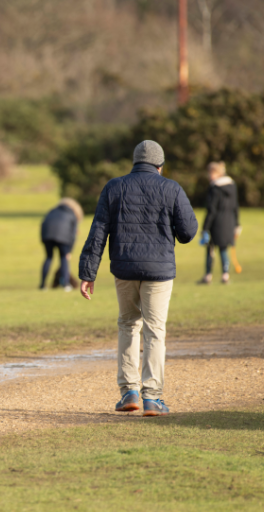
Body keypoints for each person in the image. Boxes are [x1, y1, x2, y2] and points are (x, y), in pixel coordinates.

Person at [78, 140, 197, 416]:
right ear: (160, 165)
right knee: (155, 330)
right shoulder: (171, 188)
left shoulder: (114, 187)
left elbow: (98, 232)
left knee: (128, 325)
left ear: (135, 163)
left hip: (124, 269)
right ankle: (152, 398)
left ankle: (129, 392)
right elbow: (188, 232)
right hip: (159, 272)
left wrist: (87, 273)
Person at [198, 161, 241, 285]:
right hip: (229, 222)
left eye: (210, 173)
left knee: (210, 249)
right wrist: (237, 224)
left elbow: (211, 209)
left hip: (216, 222)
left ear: (216, 173)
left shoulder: (214, 188)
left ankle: (208, 275)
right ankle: (225, 275)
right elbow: (235, 206)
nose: (209, 176)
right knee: (223, 248)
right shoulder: (232, 185)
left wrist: (205, 228)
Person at [39, 198, 83, 291]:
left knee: (48, 257)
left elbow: (43, 224)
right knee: (63, 257)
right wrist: (69, 251)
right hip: (64, 237)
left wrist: (43, 239)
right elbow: (73, 234)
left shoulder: (52, 211)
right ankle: (66, 284)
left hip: (47, 236)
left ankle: (42, 285)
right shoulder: (72, 214)